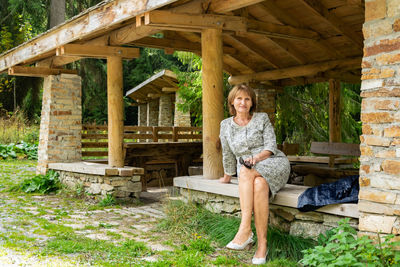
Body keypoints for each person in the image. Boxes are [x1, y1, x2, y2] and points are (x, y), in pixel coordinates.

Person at [219, 84, 290, 265]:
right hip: (249, 171)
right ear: (232, 102)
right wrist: (227, 175)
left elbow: (271, 146)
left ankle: (244, 230)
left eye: (247, 99)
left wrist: (255, 158)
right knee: (258, 184)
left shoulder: (261, 119)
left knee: (245, 170)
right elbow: (227, 153)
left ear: (252, 103)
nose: (243, 102)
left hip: (273, 163)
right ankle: (262, 246)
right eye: (239, 98)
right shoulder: (225, 125)